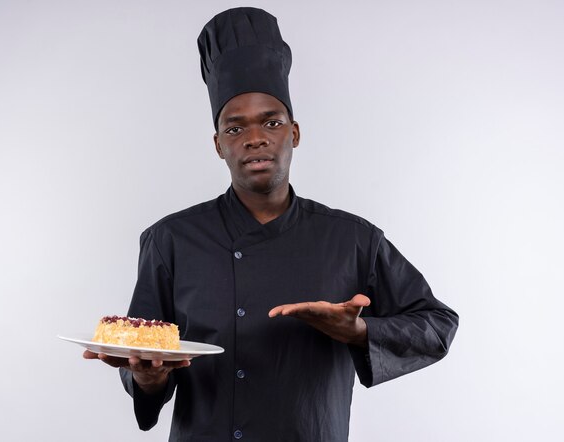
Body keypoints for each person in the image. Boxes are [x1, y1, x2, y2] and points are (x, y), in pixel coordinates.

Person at [84, 7, 459, 441]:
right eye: (234, 127)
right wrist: (147, 380)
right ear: (218, 144)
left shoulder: (353, 239)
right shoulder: (169, 240)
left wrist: (359, 331)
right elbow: (143, 357)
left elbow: (437, 325)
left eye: (271, 121)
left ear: (294, 133)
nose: (255, 137)